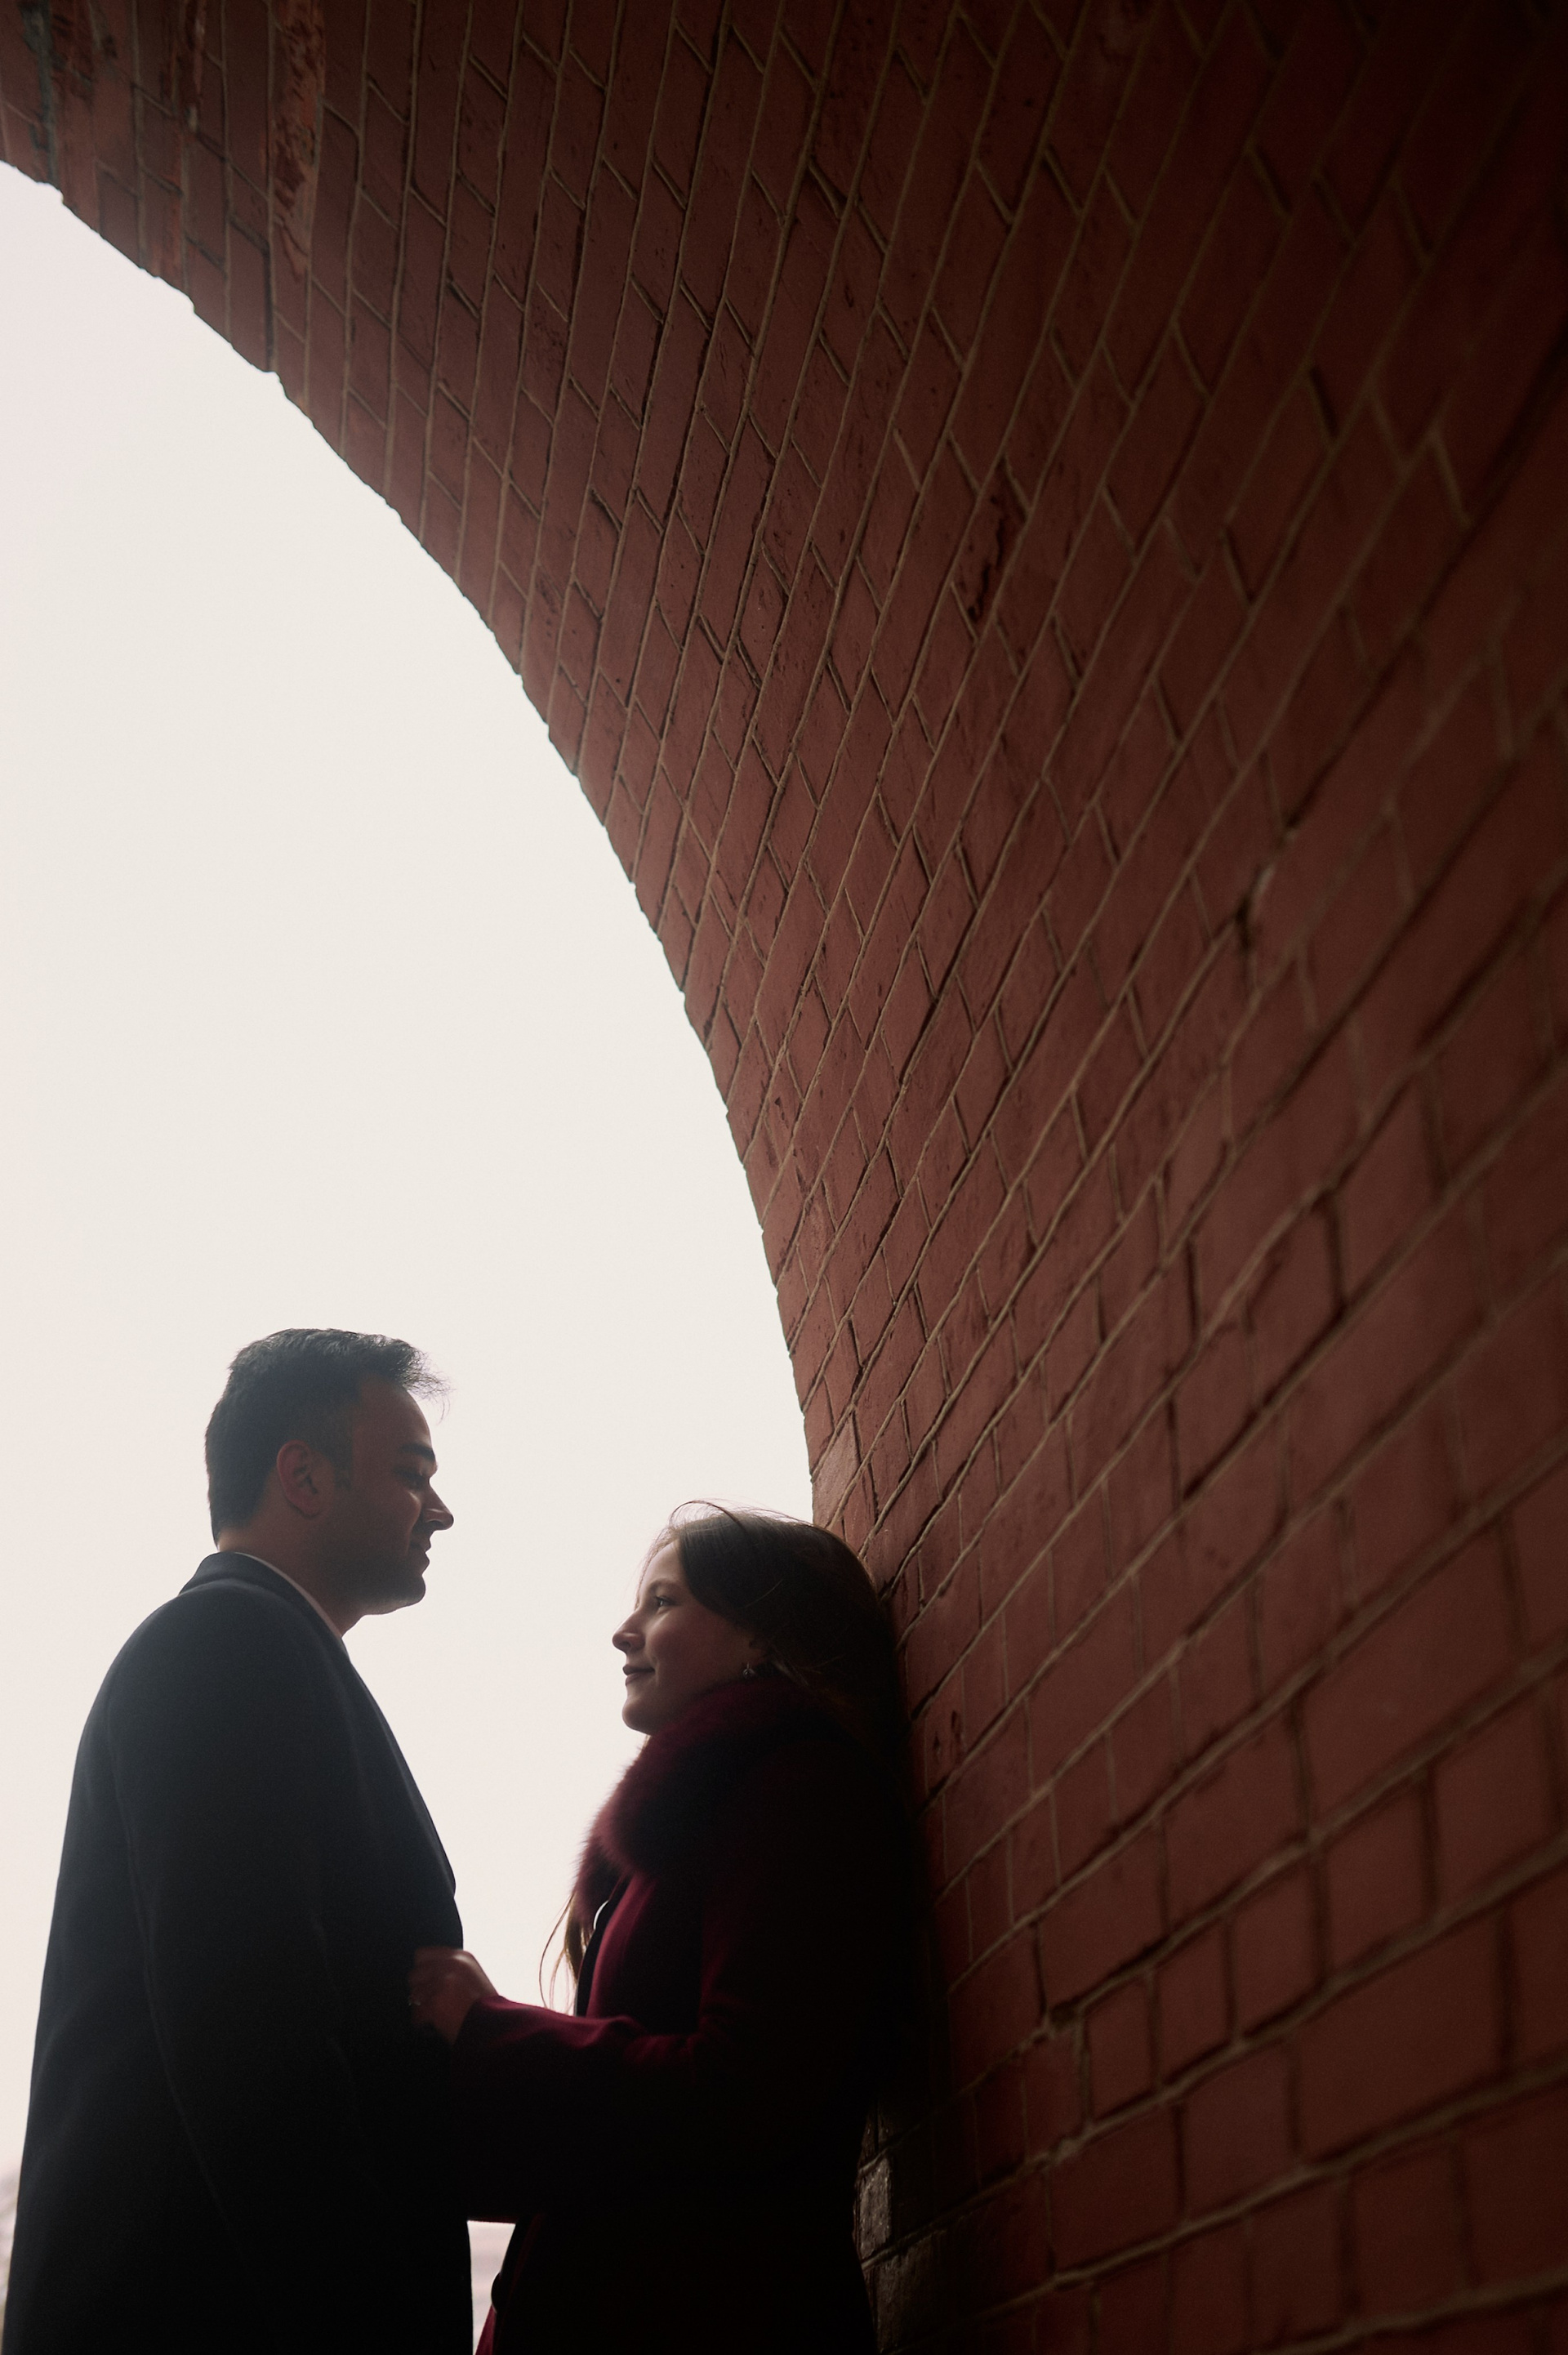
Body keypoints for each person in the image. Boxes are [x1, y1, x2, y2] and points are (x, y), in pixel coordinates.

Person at [2, 1329, 471, 2355]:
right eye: (411, 1473)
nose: (440, 1510)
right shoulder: (227, 1645)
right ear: (303, 1476)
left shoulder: (267, 1651)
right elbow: (254, 2041)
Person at [410, 1506, 913, 2355]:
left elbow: (744, 2094)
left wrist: (494, 2033)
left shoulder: (799, 1791)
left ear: (761, 1633)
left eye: (663, 1601)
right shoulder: (700, 1825)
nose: (624, 1631)